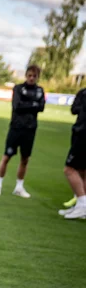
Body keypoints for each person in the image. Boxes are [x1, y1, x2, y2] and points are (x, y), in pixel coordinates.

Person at [0, 65, 45, 197]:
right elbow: (17, 106)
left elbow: (41, 107)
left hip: (30, 129)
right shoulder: (18, 88)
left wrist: (29, 105)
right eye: (29, 75)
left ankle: (19, 187)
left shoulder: (40, 91)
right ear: (26, 75)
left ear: (38, 77)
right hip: (16, 127)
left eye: (34, 76)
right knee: (6, 157)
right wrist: (33, 104)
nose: (31, 78)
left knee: (25, 159)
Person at [59, 87, 86, 219]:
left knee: (69, 169)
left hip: (83, 134)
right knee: (82, 170)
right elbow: (74, 109)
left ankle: (82, 204)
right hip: (79, 132)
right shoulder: (82, 92)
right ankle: (81, 206)